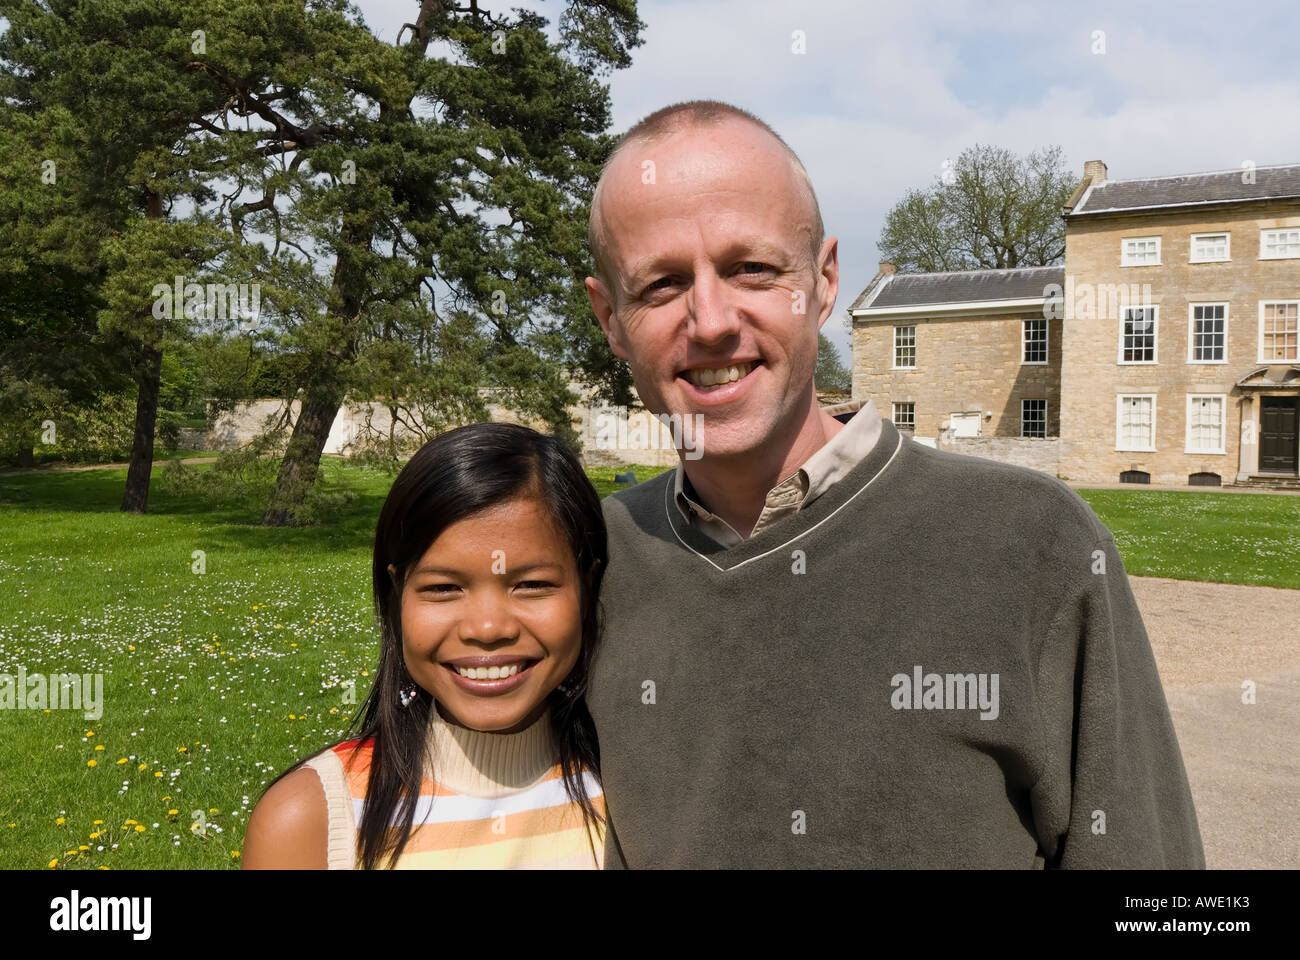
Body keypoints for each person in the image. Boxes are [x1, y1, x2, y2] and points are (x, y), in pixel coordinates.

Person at [583, 100, 1205, 868]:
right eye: (662, 284)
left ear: (823, 280)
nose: (711, 320)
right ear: (608, 318)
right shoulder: (581, 563)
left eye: (752, 268)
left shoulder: (1031, 542)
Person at [242, 423, 608, 869]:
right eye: (443, 588)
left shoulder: (637, 791)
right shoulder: (311, 819)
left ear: (587, 588)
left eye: (532, 584)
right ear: (397, 595)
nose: (488, 628)